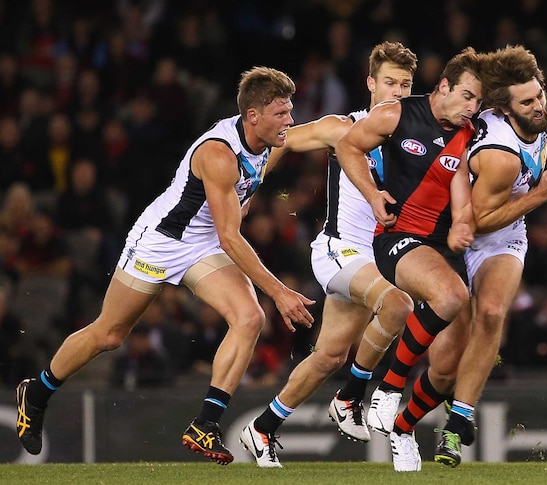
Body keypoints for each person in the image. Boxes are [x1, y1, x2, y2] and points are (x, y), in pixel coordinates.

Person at [15, 67, 316, 466]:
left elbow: (299, 144)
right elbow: (230, 237)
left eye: (290, 111)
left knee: (248, 318)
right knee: (109, 334)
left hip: (202, 244)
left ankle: (205, 423)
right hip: (160, 242)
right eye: (281, 114)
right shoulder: (218, 154)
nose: (290, 121)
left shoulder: (269, 140)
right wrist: (280, 290)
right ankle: (36, 392)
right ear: (253, 116)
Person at [365, 45, 547, 469]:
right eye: (528, 101)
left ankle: (455, 419)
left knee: (490, 312)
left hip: (504, 235)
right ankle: (401, 413)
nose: (539, 105)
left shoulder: (538, 115)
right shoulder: (499, 157)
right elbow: (481, 220)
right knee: (445, 363)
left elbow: (544, 142)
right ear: (505, 109)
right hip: (461, 232)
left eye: (540, 95)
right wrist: (539, 196)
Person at [237, 42, 418, 468]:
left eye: (406, 85)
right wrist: (251, 186)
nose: (396, 91)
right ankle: (352, 395)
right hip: (340, 250)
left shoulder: (416, 135)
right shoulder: (344, 126)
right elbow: (281, 139)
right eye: (389, 82)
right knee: (397, 305)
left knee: (329, 356)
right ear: (371, 83)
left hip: (375, 260)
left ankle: (262, 428)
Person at [335, 47, 485, 472]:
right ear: (443, 87)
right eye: (467, 96)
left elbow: (458, 183)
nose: (472, 107)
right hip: (397, 237)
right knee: (451, 295)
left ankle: (402, 428)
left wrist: (462, 222)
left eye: (478, 101)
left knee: (448, 366)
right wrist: (372, 193)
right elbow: (348, 147)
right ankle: (388, 388)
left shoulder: (466, 130)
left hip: (440, 248)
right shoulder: (396, 115)